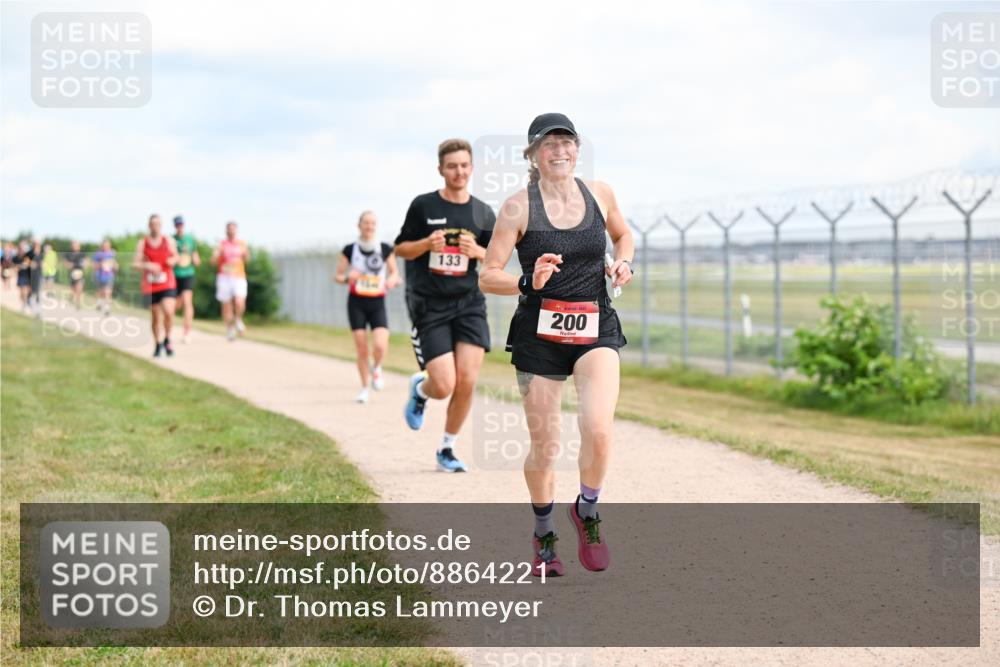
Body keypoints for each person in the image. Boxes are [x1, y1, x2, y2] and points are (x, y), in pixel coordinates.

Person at [479, 113, 634, 577]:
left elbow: (623, 235)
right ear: (533, 155)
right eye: (549, 144)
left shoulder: (600, 193)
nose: (559, 150)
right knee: (546, 446)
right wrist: (529, 281)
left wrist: (623, 263)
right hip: (539, 335)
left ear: (578, 149)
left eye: (566, 142)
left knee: (598, 427)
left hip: (595, 326)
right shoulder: (516, 207)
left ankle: (587, 510)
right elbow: (487, 274)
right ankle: (544, 534)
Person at [394, 138, 495, 473]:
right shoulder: (423, 206)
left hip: (468, 303)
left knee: (467, 379)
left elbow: (497, 259)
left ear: (472, 168)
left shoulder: (482, 213)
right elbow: (401, 249)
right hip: (430, 304)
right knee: (444, 384)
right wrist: (426, 243)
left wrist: (478, 252)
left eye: (464, 165)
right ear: (441, 169)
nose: (459, 171)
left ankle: (447, 449)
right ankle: (421, 390)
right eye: (452, 166)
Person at [335, 210, 401, 404]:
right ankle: (364, 388)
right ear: (359, 225)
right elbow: (337, 276)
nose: (369, 227)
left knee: (380, 345)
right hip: (356, 302)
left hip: (377, 302)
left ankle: (377, 367)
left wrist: (391, 280)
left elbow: (395, 273)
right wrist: (348, 278)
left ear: (376, 226)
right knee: (362, 349)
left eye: (373, 223)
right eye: (366, 223)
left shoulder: (385, 248)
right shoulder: (350, 249)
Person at [132, 214, 178, 357]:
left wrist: (172, 261)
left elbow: (177, 256)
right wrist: (147, 265)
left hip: (167, 282)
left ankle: (167, 339)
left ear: (161, 225)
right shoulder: (143, 243)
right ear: (149, 225)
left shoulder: (168, 241)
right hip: (150, 284)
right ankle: (157, 344)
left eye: (158, 223)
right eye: (152, 224)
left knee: (169, 311)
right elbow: (135, 264)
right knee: (155, 316)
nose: (155, 226)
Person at [211, 221, 250, 341]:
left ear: (236, 230)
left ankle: (238, 319)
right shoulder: (221, 244)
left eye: (233, 229)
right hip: (224, 277)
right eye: (229, 229)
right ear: (226, 231)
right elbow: (213, 261)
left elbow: (248, 259)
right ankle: (230, 329)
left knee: (239, 302)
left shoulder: (242, 244)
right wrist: (217, 254)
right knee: (226, 306)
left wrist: (245, 254)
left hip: (238, 276)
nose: (231, 231)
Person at [172, 215, 201, 343]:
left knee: (188, 302)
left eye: (181, 224)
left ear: (184, 225)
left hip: (188, 274)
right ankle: (168, 328)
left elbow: (195, 257)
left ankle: (187, 332)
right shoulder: (171, 240)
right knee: (175, 305)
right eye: (177, 225)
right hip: (174, 274)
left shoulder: (190, 240)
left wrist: (196, 260)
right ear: (175, 226)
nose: (179, 227)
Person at [92, 239, 118, 316]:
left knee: (108, 292)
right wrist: (101, 263)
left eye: (107, 245)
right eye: (104, 245)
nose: (105, 247)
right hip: (99, 276)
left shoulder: (112, 254)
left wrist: (115, 267)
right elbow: (94, 266)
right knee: (100, 292)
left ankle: (107, 309)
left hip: (109, 276)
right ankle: (99, 303)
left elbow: (115, 264)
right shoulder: (98, 254)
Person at [63, 240, 88, 310]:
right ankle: (71, 297)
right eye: (73, 245)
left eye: (76, 245)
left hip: (80, 273)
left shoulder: (82, 254)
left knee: (79, 288)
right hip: (72, 274)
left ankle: (78, 304)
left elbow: (86, 262)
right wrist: (69, 265)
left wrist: (85, 264)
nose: (75, 247)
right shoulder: (69, 254)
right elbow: (65, 263)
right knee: (73, 289)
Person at [14, 240, 34, 313]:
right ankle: (24, 303)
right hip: (21, 276)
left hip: (28, 275)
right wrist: (19, 267)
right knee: (22, 292)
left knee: (29, 290)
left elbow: (30, 263)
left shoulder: (28, 256)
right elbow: (15, 266)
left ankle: (28, 300)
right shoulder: (16, 257)